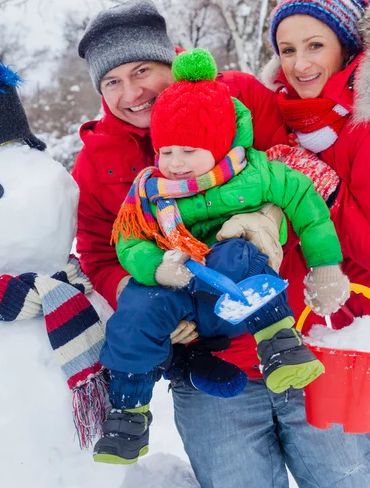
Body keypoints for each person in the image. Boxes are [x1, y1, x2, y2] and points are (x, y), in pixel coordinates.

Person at [73, 0, 370, 487]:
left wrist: (270, 217)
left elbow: (290, 169)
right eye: (112, 82)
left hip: (298, 342)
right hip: (208, 367)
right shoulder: (98, 159)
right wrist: (149, 294)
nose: (131, 93)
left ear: (170, 62)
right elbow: (96, 252)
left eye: (142, 71)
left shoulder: (235, 95)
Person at [93, 47, 348, 464]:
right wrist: (156, 268)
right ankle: (128, 410)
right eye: (166, 151)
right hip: (179, 285)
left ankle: (279, 342)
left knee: (238, 254)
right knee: (137, 309)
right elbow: (127, 240)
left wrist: (324, 264)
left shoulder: (256, 171)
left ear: (218, 144)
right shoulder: (148, 189)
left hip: (234, 290)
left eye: (188, 151)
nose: (174, 165)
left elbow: (309, 206)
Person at [253, 0, 370, 488]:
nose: (300, 63)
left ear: (347, 48)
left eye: (316, 46)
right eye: (287, 49)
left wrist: (322, 189)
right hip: (352, 343)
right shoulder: (294, 125)